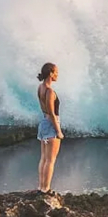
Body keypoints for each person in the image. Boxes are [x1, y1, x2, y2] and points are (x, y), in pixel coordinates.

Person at [36, 62, 63, 192]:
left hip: (43, 123)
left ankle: (41, 187)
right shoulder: (50, 91)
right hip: (51, 124)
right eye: (56, 72)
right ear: (51, 73)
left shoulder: (40, 88)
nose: (57, 74)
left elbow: (45, 110)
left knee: (44, 158)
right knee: (50, 160)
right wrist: (58, 131)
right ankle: (46, 189)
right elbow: (52, 113)